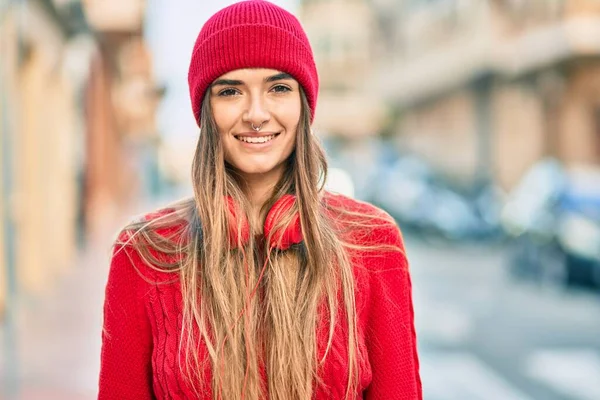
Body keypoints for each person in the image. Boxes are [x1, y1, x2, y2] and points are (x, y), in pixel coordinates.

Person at [98, 1, 422, 399]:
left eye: (279, 88)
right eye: (231, 91)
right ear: (206, 109)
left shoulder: (372, 241)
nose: (256, 113)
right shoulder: (143, 252)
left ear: (304, 104)